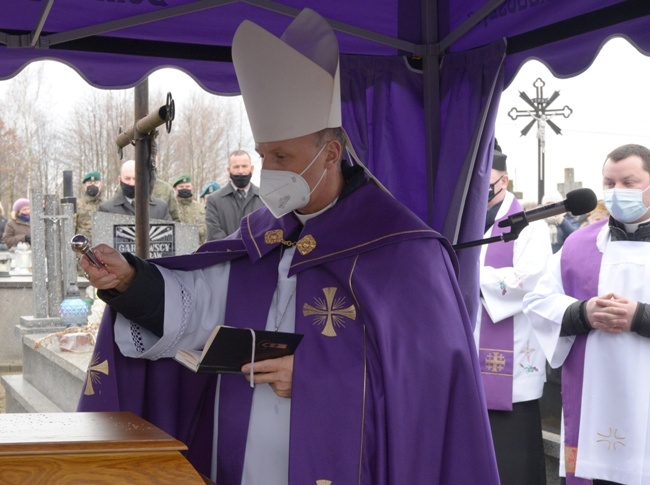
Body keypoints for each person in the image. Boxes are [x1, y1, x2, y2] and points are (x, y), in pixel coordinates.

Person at [78, 9, 499, 484]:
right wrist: (132, 283)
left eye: (282, 157)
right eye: (263, 156)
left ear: (331, 154)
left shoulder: (403, 251)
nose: (268, 172)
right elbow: (196, 308)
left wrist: (318, 379)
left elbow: (432, 385)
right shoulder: (262, 238)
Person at [524, 143, 650, 485]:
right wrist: (583, 312)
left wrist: (641, 317)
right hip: (593, 406)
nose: (616, 191)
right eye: (609, 183)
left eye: (628, 182)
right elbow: (537, 301)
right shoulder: (579, 245)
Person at [477, 142, 551, 485]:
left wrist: (466, 279)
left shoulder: (528, 225)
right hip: (463, 349)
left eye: (484, 178)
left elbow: (529, 278)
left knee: (511, 462)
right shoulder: (463, 219)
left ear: (503, 180)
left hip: (508, 366)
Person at [205, 150, 264, 240]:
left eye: (244, 166)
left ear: (252, 169)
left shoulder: (264, 198)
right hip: (227, 253)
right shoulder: (214, 200)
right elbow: (214, 234)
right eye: (236, 167)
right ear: (229, 170)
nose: (240, 171)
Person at [98, 159, 173, 221]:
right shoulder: (107, 209)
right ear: (119, 180)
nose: (131, 183)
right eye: (127, 179)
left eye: (136, 178)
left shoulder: (160, 208)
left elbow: (170, 235)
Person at [172, 173, 207, 245]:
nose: (185, 188)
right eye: (181, 187)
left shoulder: (201, 208)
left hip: (197, 249)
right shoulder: (171, 206)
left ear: (192, 187)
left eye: (187, 186)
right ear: (175, 188)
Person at [75, 170, 105, 243]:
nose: (93, 185)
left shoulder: (107, 204)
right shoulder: (77, 205)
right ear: (85, 186)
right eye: (89, 183)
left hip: (103, 248)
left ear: (100, 185)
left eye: (96, 183)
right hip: (83, 249)